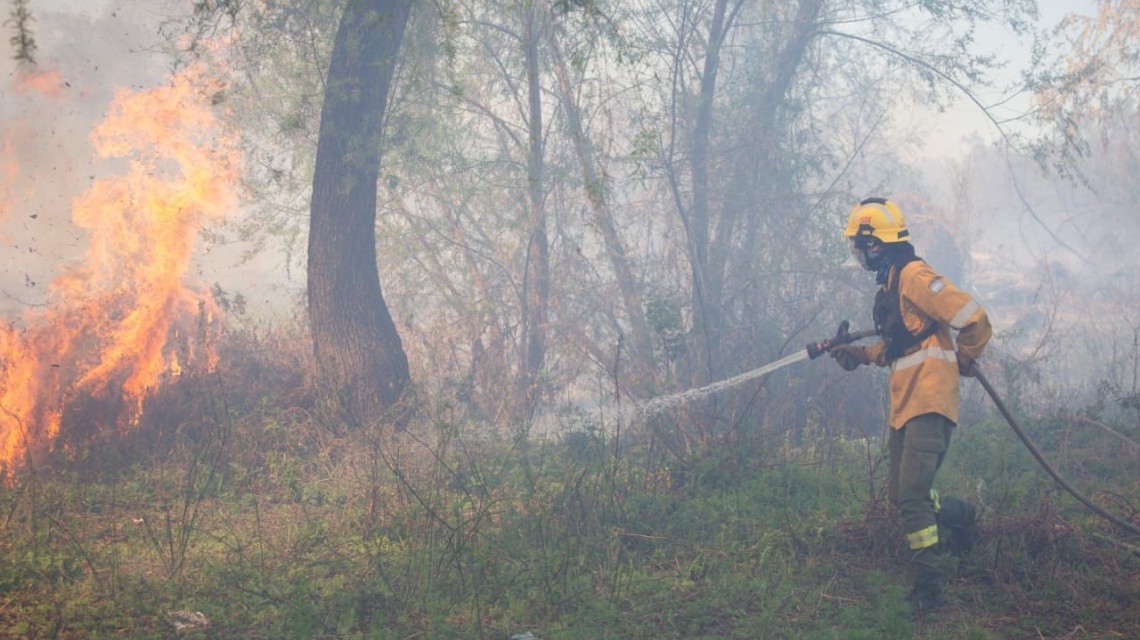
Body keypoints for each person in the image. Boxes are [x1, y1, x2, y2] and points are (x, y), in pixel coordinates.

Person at [830, 197, 992, 616]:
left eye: (861, 245)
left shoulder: (916, 277)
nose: (859, 254)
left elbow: (973, 317)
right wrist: (856, 355)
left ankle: (929, 591)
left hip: (930, 399)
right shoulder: (891, 285)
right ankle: (962, 517)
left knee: (913, 498)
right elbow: (895, 347)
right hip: (906, 402)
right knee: (902, 494)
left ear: (876, 244)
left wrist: (968, 355)